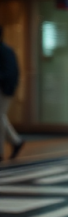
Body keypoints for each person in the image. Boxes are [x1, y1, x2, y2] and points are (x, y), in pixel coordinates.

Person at [0, 26, 24, 161]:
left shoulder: (5, 51)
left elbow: (10, 72)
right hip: (6, 88)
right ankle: (16, 142)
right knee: (0, 118)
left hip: (4, 90)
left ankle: (1, 151)